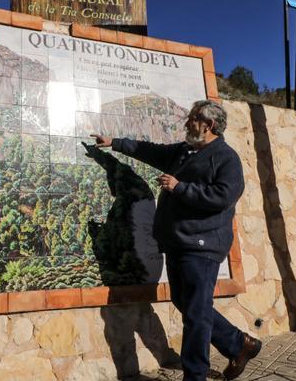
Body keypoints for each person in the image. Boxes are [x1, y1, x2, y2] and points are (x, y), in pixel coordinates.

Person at [91, 100, 261, 381]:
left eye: (193, 118)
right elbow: (150, 151)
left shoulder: (226, 158)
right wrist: (114, 143)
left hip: (202, 246)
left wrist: (180, 187)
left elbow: (223, 196)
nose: (187, 122)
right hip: (177, 242)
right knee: (189, 305)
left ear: (209, 125)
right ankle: (238, 344)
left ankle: (195, 374)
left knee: (195, 314)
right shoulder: (185, 152)